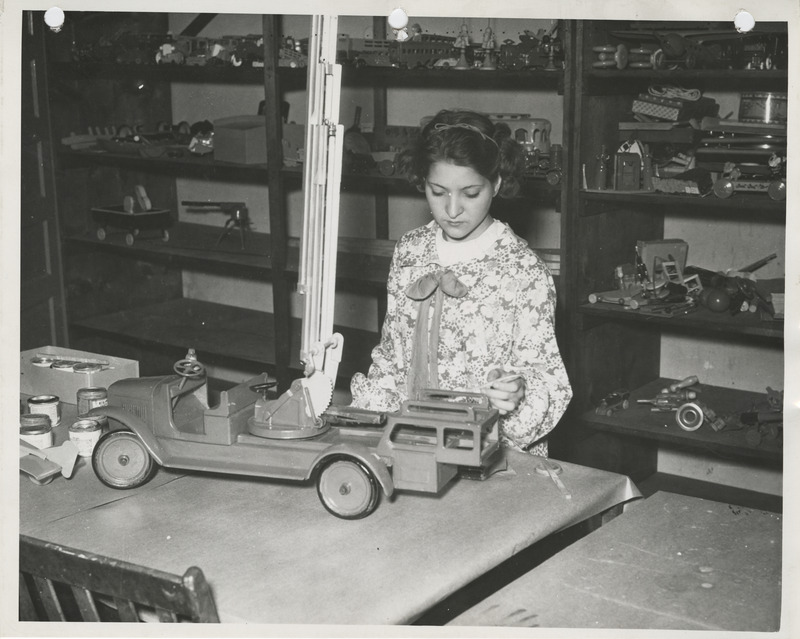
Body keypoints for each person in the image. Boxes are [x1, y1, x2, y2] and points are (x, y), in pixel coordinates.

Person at [350, 109, 572, 456]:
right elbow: (392, 357)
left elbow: (548, 379)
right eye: (438, 192)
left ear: (496, 183)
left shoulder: (523, 271)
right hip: (414, 442)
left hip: (490, 452)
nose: (452, 209)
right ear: (423, 182)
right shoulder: (410, 251)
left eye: (470, 193)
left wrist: (516, 393)